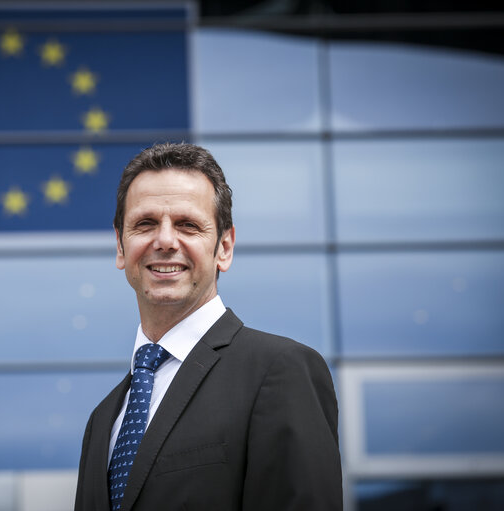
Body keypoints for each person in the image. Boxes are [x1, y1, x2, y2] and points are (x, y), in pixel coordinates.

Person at [74, 142, 342, 511]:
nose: (165, 241)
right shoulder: (103, 420)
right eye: (145, 223)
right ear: (120, 247)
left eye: (188, 225)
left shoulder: (280, 372)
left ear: (224, 248)